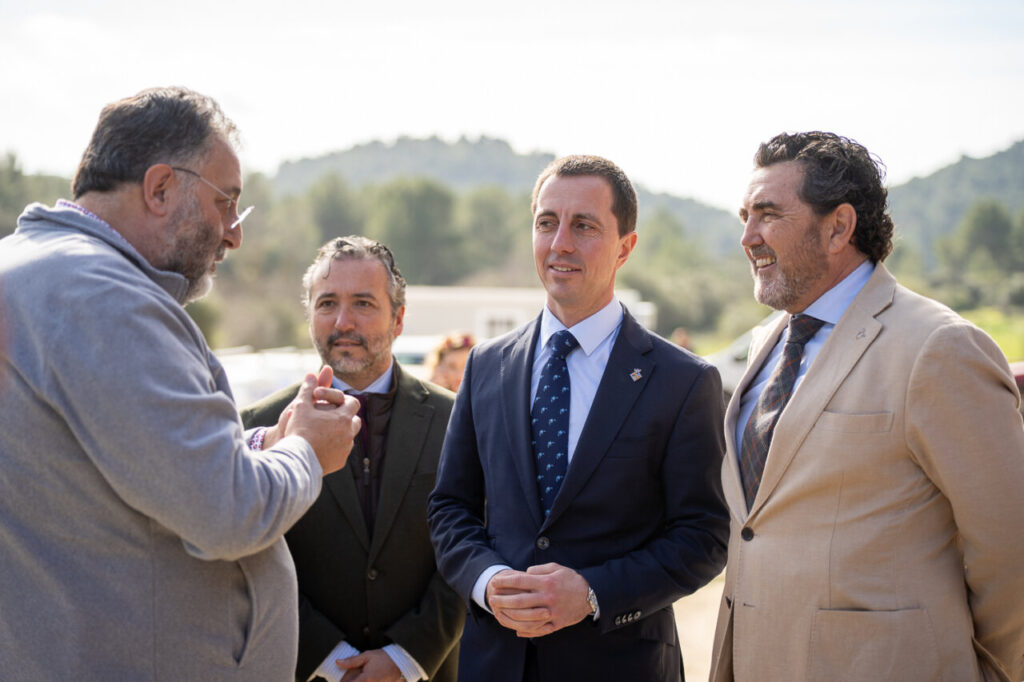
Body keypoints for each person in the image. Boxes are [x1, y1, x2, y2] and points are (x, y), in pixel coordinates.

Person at [0, 87, 361, 681]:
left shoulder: (37, 271)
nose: (234, 233)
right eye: (227, 203)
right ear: (161, 187)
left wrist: (257, 450)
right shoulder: (104, 297)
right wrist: (306, 452)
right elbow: (227, 513)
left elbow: (124, 473)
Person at [710, 131, 1024, 682]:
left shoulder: (939, 348)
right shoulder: (766, 341)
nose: (747, 237)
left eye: (767, 215)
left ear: (838, 227)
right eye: (744, 216)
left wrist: (990, 671)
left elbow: (1010, 549)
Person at [428, 155, 729, 681]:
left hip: (621, 664)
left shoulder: (682, 380)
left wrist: (591, 594)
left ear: (625, 247)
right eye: (547, 222)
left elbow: (702, 536)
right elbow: (450, 508)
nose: (560, 242)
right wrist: (487, 580)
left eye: (584, 226)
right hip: (496, 663)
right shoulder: (486, 365)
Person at [241, 236, 465, 682]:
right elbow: (252, 558)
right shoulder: (258, 425)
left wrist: (407, 657)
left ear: (398, 319)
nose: (343, 321)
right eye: (327, 304)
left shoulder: (458, 419)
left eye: (363, 303)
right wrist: (329, 660)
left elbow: (470, 544)